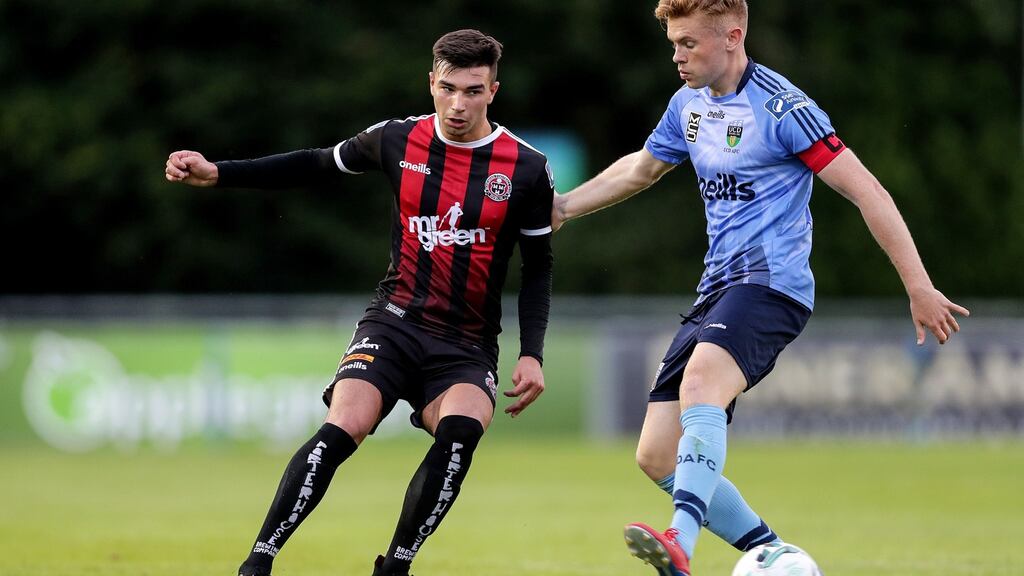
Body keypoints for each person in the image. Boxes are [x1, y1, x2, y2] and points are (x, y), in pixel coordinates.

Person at [551, 1, 970, 574]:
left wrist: (918, 286)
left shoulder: (783, 108)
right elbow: (640, 169)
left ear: (732, 36)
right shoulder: (688, 105)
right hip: (716, 289)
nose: (677, 56)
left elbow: (868, 190)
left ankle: (681, 542)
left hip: (773, 287)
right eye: (673, 43)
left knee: (702, 384)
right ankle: (773, 555)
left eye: (689, 44)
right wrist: (564, 208)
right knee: (655, 455)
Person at [165, 29, 555, 576]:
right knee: (343, 425)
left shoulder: (527, 168)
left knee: (462, 432)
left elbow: (537, 268)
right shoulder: (396, 139)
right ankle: (258, 562)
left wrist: (532, 351)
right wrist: (220, 173)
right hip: (394, 321)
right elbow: (315, 163)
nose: (458, 104)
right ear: (431, 82)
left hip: (466, 342)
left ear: (494, 90)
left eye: (472, 91)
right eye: (447, 89)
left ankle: (395, 565)